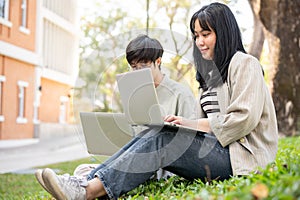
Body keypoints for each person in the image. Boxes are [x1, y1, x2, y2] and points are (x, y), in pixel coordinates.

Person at [35, 3, 278, 200]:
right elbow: (206, 132)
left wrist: (188, 124)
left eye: (206, 34)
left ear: (223, 33)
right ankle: (84, 181)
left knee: (166, 136)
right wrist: (183, 126)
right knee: (159, 130)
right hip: (215, 154)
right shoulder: (211, 74)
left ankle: (88, 192)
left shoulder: (245, 64)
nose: (200, 41)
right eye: (196, 35)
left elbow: (242, 120)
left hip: (242, 159)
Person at [72, 34, 197, 180]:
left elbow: (190, 142)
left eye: (144, 66)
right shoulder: (134, 94)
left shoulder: (181, 94)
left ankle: (85, 185)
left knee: (93, 177)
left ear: (158, 62)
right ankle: (83, 183)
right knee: (82, 169)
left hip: (164, 168)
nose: (138, 71)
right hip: (136, 162)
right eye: (134, 67)